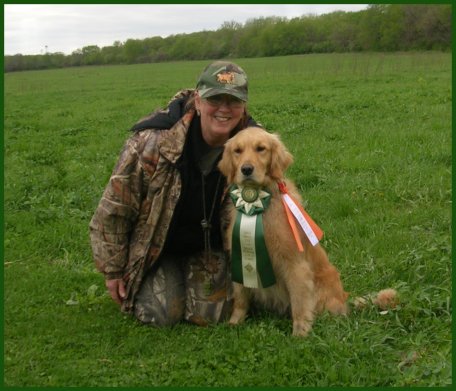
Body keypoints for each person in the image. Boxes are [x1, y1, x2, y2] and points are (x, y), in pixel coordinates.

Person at [89, 61, 260, 326]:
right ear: (198, 101)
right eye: (215, 98)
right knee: (160, 314)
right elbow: (115, 207)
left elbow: (273, 207)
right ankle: (164, 277)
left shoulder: (257, 147)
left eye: (234, 101)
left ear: (244, 106)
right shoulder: (152, 142)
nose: (224, 108)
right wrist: (112, 269)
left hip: (210, 247)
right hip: (159, 248)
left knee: (212, 316)